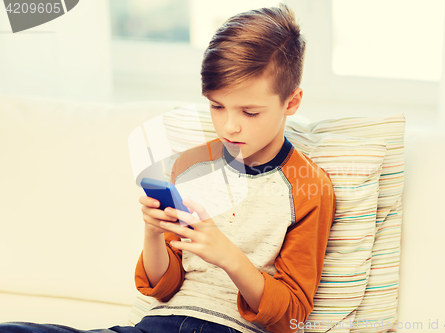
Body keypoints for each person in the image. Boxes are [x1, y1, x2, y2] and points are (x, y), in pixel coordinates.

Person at [0, 3, 335, 333]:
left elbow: (291, 314)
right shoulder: (192, 165)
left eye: (249, 112)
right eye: (217, 106)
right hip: (157, 324)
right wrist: (154, 232)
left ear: (291, 102)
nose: (229, 126)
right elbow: (163, 286)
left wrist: (229, 256)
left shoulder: (308, 187)